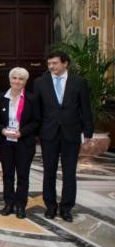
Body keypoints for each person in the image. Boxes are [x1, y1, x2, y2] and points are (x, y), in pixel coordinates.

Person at [34, 50, 93, 222]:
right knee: (49, 172)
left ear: (65, 63)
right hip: (48, 133)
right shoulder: (40, 82)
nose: (51, 66)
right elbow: (37, 110)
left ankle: (67, 208)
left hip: (71, 134)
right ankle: (50, 206)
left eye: (55, 63)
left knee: (69, 173)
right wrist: (36, 132)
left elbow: (85, 109)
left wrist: (87, 132)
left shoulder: (79, 82)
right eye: (49, 63)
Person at [0, 67, 40, 219]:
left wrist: (22, 132)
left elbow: (36, 122)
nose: (17, 81)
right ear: (10, 79)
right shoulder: (1, 97)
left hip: (24, 143)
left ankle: (21, 205)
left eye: (21, 79)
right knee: (7, 174)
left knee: (23, 175)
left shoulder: (32, 99)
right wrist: (2, 130)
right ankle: (8, 203)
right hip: (5, 142)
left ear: (25, 82)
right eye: (14, 78)